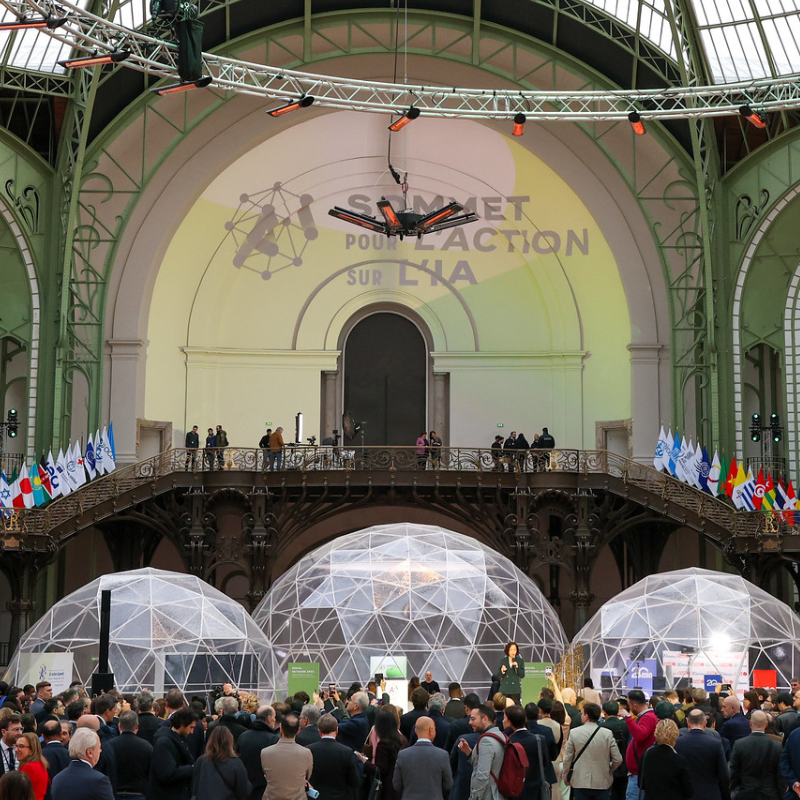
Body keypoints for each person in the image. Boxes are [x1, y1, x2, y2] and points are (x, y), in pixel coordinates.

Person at [673, 708, 728, 800]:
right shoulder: (715, 744)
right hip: (710, 794)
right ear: (705, 723)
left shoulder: (678, 743)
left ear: (688, 722)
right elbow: (723, 775)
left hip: (685, 795)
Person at [394, 716, 452, 800]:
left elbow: (397, 785)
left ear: (415, 730)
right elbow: (448, 784)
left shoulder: (403, 755)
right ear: (431, 730)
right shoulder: (442, 755)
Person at [729, 710, 781, 800]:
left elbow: (734, 771)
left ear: (750, 723)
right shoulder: (776, 746)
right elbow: (780, 775)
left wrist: (734, 791)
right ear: (766, 725)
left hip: (746, 793)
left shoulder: (739, 744)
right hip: (770, 794)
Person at [457, 703, 505, 800]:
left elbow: (482, 775)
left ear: (485, 719)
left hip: (487, 795)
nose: (470, 722)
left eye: (473, 719)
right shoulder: (499, 735)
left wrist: (474, 797)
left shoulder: (486, 741)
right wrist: (469, 753)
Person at [51, 728, 114, 800]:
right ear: (89, 752)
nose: (100, 750)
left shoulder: (57, 778)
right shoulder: (99, 780)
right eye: (99, 747)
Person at [261, 714, 313, 800]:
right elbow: (307, 776)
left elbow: (266, 774)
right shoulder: (306, 753)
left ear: (281, 730)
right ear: (298, 731)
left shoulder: (265, 752)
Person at [148, 708, 196, 800]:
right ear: (182, 725)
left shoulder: (178, 740)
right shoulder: (164, 743)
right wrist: (192, 769)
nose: (192, 732)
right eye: (191, 727)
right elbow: (167, 773)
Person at [638, 719, 693, 800]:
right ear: (675, 735)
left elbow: (641, 784)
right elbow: (688, 791)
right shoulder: (679, 760)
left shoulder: (647, 754)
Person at [191, 726, 251, 800]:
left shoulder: (201, 761)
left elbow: (195, 786)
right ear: (230, 742)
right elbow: (244, 790)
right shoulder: (236, 763)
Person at [309, 715, 360, 800]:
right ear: (337, 730)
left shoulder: (309, 750)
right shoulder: (346, 752)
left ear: (319, 731)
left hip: (315, 797)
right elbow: (354, 781)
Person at [505, 705, 549, 800]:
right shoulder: (539, 740)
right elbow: (545, 762)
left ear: (510, 721)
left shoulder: (509, 742)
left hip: (516, 791)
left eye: (504, 718)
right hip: (536, 789)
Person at [235, 705, 279, 800]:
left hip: (245, 787)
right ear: (268, 718)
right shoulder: (273, 739)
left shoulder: (243, 736)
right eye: (274, 718)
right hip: (265, 788)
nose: (275, 720)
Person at [107, 710, 152, 800]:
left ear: (119, 725)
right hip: (139, 794)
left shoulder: (109, 745)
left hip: (114, 793)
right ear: (137, 726)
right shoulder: (146, 746)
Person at [362, 709, 404, 800]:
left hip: (386, 788)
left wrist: (364, 762)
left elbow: (380, 769)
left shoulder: (383, 744)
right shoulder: (402, 740)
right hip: (400, 785)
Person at [623, 689, 657, 800]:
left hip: (639, 774)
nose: (630, 708)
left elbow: (640, 735)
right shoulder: (647, 717)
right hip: (638, 772)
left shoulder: (647, 717)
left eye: (629, 705)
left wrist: (627, 718)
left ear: (635, 705)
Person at [599, 702, 628, 800]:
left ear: (604, 712)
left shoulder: (601, 727)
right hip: (625, 765)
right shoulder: (626, 725)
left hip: (608, 765)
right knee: (623, 793)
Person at [14, 733, 48, 800]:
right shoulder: (40, 764)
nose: (16, 750)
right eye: (16, 746)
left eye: (21, 746)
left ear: (32, 750)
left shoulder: (29, 768)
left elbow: (21, 794)